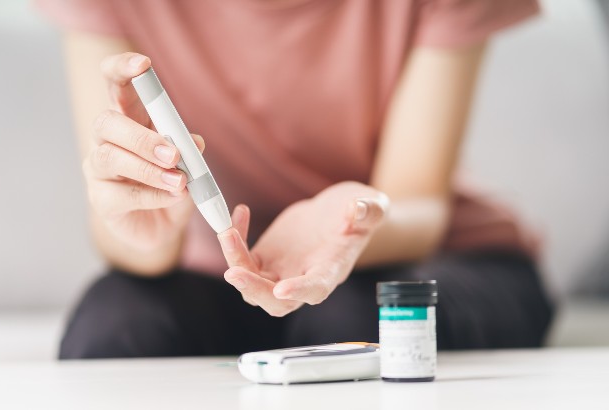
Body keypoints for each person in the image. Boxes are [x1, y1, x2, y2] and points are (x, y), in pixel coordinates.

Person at [36, 0, 554, 359]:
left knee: (351, 324)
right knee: (113, 327)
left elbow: (420, 208)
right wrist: (156, 223)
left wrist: (350, 216)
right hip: (217, 268)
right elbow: (120, 232)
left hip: (418, 255)